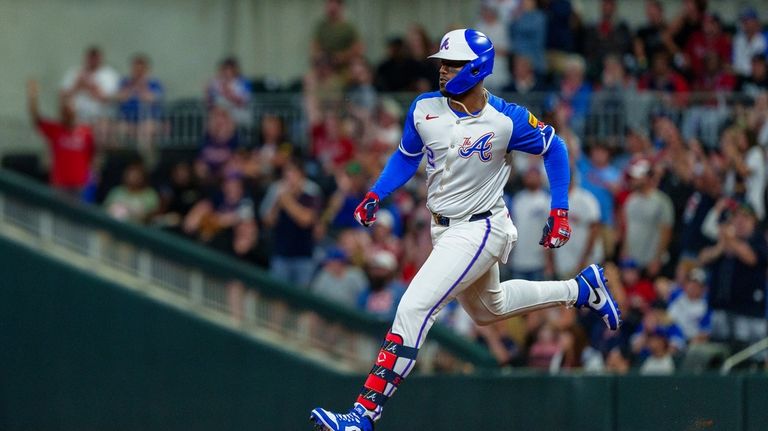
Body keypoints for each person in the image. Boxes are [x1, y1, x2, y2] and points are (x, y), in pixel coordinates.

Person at [310, 28, 622, 431]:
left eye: (452, 63)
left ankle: (363, 415)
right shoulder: (425, 108)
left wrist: (559, 208)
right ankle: (582, 289)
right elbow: (406, 157)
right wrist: (376, 192)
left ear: (478, 67)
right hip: (445, 229)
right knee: (488, 309)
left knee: (412, 308)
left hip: (482, 227)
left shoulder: (505, 119)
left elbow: (555, 147)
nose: (443, 71)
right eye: (441, 63)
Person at [27, 79, 94, 197]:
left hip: (80, 184)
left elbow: (91, 156)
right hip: (60, 183)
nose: (66, 114)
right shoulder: (55, 130)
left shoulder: (86, 132)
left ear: (74, 112)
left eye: (69, 111)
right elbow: (36, 119)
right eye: (64, 112)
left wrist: (91, 176)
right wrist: (33, 97)